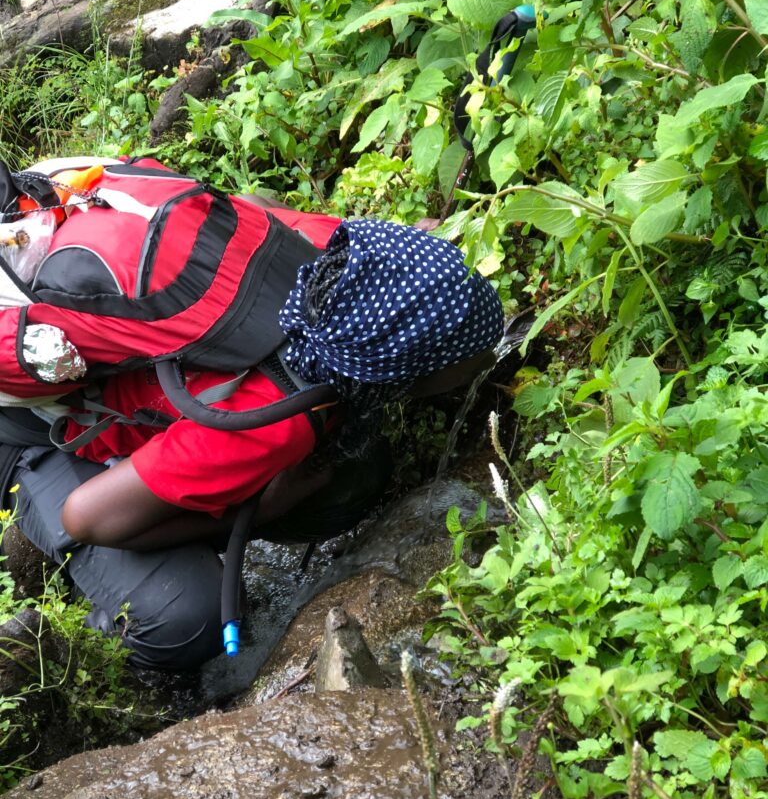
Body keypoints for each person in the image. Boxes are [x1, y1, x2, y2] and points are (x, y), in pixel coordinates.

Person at [0, 198, 503, 672]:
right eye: (465, 363)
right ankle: (82, 656)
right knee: (187, 617)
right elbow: (86, 516)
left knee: (352, 474)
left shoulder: (331, 254)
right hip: (29, 431)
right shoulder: (273, 418)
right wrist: (267, 511)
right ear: (401, 369)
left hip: (54, 296)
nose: (479, 363)